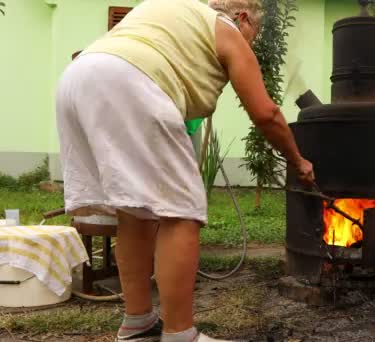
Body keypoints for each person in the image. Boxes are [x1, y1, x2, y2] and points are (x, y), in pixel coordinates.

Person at [55, 0, 315, 341]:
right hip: (129, 82)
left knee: (135, 212)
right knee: (181, 213)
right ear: (242, 17)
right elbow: (266, 114)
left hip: (78, 79)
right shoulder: (227, 29)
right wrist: (298, 161)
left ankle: (138, 326)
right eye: (255, 31)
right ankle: (180, 334)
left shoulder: (174, 10)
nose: (251, 40)